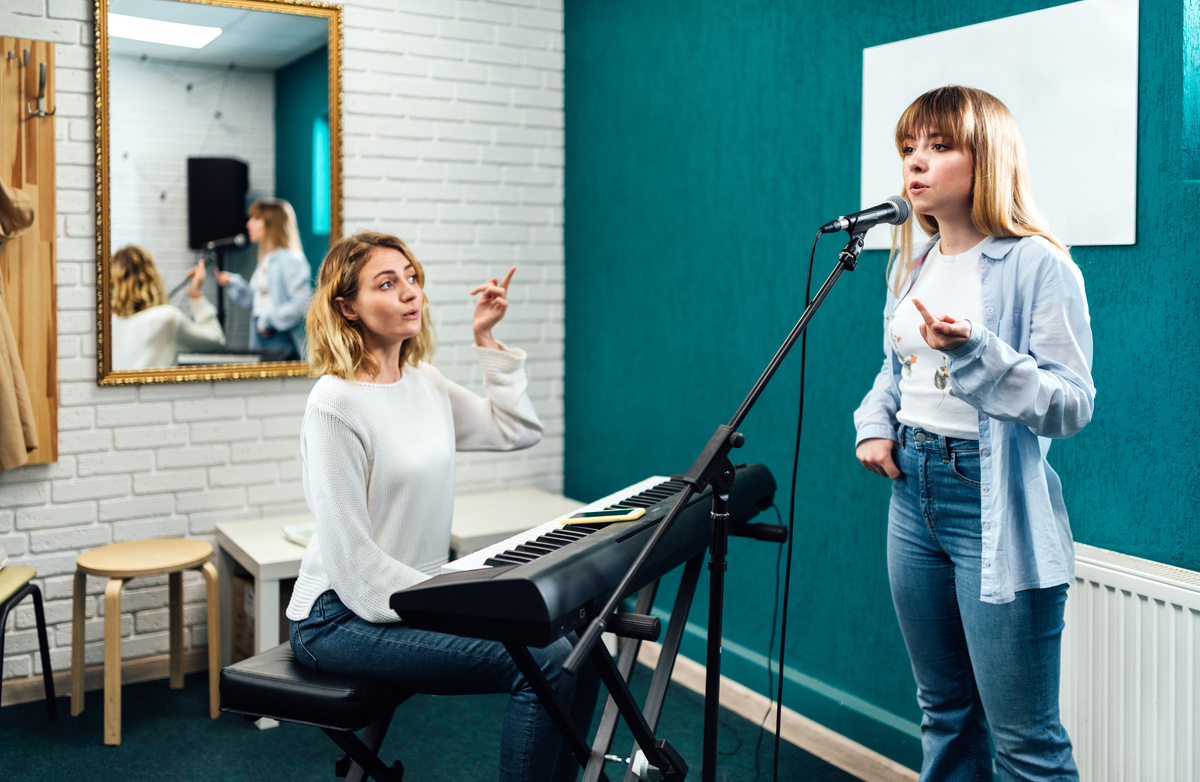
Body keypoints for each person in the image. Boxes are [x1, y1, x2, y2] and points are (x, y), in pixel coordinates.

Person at [285, 232, 598, 782]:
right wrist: (459, 603)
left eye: (412, 278)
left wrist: (485, 338)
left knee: (583, 646)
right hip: (337, 617)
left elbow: (515, 430)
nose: (410, 293)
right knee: (545, 664)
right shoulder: (334, 404)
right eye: (387, 283)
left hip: (410, 598)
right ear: (346, 307)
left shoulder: (424, 382)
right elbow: (354, 565)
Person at [853, 86, 1095, 781]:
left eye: (938, 145)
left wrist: (976, 352)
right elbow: (895, 370)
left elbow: (1071, 405)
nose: (915, 164)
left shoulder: (1039, 264)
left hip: (992, 501)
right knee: (944, 712)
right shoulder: (912, 262)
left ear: (985, 157)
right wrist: (876, 426)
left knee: (1024, 741)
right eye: (907, 149)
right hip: (912, 496)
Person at [215, 198, 311, 360]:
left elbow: (301, 304)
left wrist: (267, 321)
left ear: (272, 224)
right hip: (261, 335)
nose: (249, 224)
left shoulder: (290, 260)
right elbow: (257, 300)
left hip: (280, 338)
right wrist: (234, 282)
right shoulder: (266, 259)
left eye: (256, 219)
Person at [110, 245, 225, 370]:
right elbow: (216, 340)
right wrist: (195, 294)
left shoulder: (105, 324)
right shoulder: (165, 318)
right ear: (152, 276)